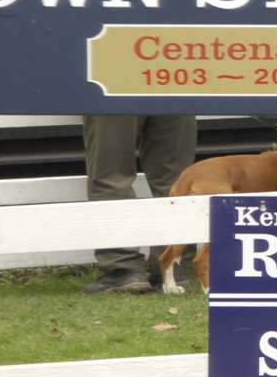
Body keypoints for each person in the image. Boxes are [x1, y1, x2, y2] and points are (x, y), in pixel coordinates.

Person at [80, 114, 197, 294]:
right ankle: (172, 266)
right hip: (175, 87)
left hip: (111, 91)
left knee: (111, 176)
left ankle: (123, 270)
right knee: (175, 179)